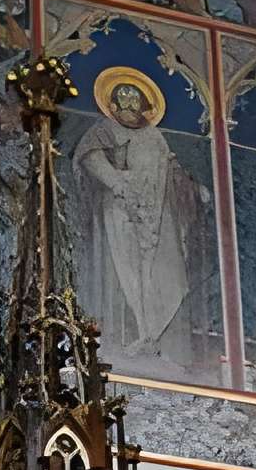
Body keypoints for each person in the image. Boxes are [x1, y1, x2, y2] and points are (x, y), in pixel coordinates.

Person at [73, 73, 206, 369]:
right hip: (122, 212)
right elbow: (90, 158)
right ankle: (134, 335)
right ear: (112, 105)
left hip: (159, 217)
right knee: (127, 273)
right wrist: (118, 182)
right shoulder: (104, 129)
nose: (130, 108)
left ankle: (155, 338)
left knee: (162, 275)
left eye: (135, 102)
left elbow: (169, 169)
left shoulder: (155, 136)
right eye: (123, 102)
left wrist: (192, 188)